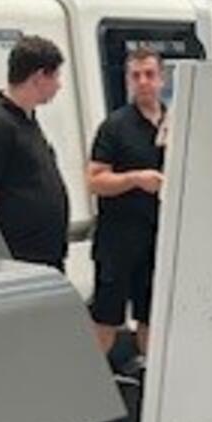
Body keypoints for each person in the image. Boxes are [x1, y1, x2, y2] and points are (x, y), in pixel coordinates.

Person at [86, 46, 167, 355]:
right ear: (128, 81)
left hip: (157, 240)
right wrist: (135, 179)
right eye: (136, 76)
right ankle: (91, 378)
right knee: (106, 319)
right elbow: (94, 181)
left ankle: (150, 377)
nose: (143, 81)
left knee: (152, 317)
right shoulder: (114, 127)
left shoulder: (175, 124)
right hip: (117, 244)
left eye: (149, 74)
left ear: (162, 78)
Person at [0, 35, 69, 269]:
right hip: (21, 258)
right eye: (55, 76)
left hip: (47, 255)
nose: (59, 85)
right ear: (38, 77)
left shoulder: (27, 119)